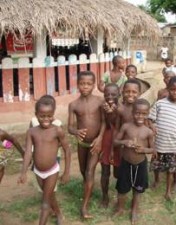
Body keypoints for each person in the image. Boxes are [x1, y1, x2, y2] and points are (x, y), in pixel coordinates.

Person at [18, 95, 71, 225]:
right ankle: (58, 213)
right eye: (42, 116)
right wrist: (23, 172)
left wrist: (66, 172)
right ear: (36, 115)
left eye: (49, 116)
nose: (46, 119)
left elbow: (67, 150)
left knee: (45, 202)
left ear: (53, 114)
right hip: (37, 171)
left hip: (52, 170)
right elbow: (28, 154)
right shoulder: (31, 132)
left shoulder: (57, 131)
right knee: (49, 194)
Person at [68, 71, 104, 219]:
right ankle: (88, 188)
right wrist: (75, 132)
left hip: (95, 143)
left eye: (89, 84)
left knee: (89, 171)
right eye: (82, 84)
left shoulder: (99, 101)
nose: (85, 87)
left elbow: (104, 122)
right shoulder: (73, 105)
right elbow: (69, 127)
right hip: (82, 144)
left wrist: (100, 138)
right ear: (78, 85)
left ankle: (84, 207)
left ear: (94, 85)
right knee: (84, 171)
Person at [113, 99, 154, 224]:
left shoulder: (148, 132)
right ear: (132, 113)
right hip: (126, 162)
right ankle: (120, 208)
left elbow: (153, 149)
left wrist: (143, 150)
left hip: (140, 164)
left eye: (143, 113)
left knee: (138, 189)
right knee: (122, 189)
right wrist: (124, 142)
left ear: (147, 114)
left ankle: (134, 210)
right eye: (137, 113)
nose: (140, 116)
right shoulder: (126, 127)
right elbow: (115, 142)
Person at [30, 95, 63, 193]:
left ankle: (50, 194)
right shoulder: (33, 121)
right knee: (41, 182)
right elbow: (30, 137)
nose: (46, 118)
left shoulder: (58, 124)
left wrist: (50, 146)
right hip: (37, 154)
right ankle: (47, 197)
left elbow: (61, 142)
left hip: (53, 155)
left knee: (51, 181)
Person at [99, 83, 120, 207]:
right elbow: (104, 123)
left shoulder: (121, 107)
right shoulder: (103, 107)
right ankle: (105, 196)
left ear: (119, 94)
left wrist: (113, 112)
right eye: (107, 94)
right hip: (107, 139)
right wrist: (108, 112)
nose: (110, 97)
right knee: (105, 171)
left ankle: (119, 196)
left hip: (118, 140)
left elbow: (119, 125)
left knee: (118, 172)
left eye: (113, 94)